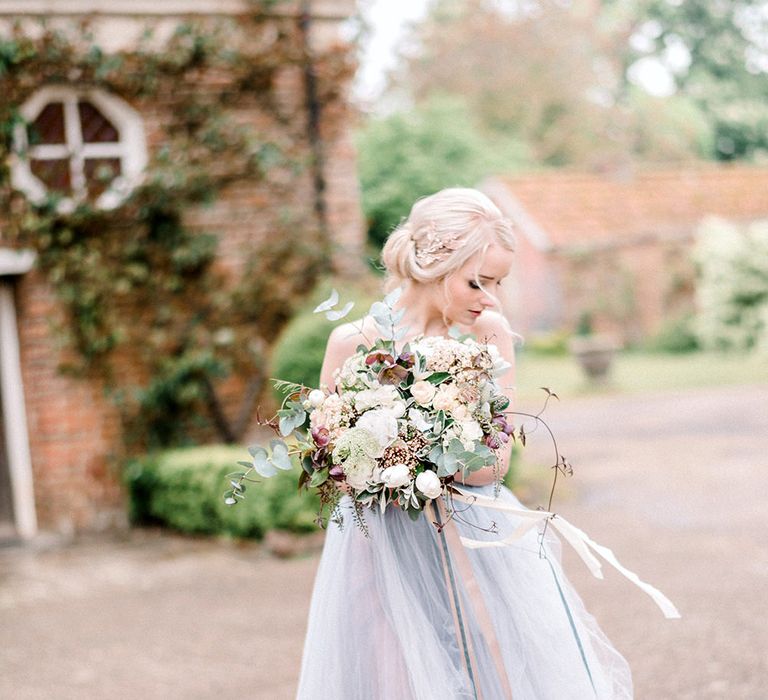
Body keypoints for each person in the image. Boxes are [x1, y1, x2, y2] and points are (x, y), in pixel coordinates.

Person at [295, 188, 633, 699]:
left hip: (477, 534)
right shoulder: (352, 343)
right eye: (480, 281)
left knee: (490, 661)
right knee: (393, 666)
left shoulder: (486, 337)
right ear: (435, 264)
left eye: (499, 283)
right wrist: (377, 459)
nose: (492, 298)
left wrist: (421, 450)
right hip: (381, 541)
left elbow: (493, 464)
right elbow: (330, 455)